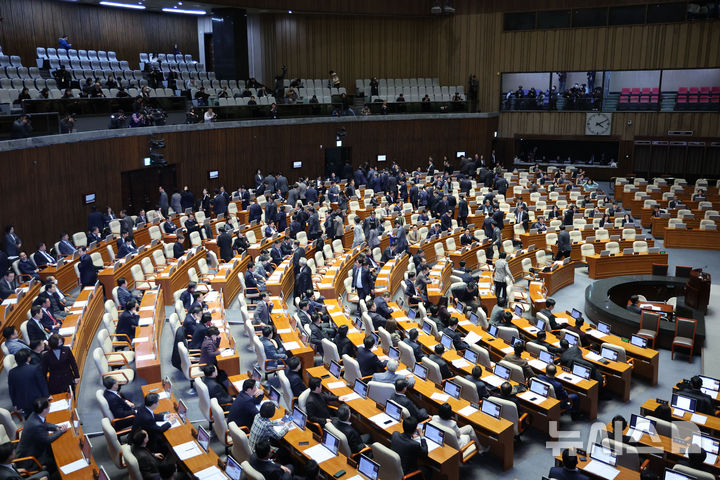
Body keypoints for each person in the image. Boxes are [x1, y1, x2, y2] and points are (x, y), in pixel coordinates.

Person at [16, 398, 67, 473]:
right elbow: (47, 440)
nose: (50, 407)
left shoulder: (35, 414)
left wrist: (56, 427)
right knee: (57, 460)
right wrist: (61, 431)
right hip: (30, 458)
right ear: (45, 410)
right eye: (49, 406)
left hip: (32, 446)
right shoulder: (36, 425)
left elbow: (44, 423)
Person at [8, 349, 48, 418]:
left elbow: (12, 390)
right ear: (28, 358)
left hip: (24, 403)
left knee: (30, 419)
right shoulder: (35, 368)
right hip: (38, 401)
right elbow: (42, 384)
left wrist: (15, 404)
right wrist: (47, 397)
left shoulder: (11, 372)